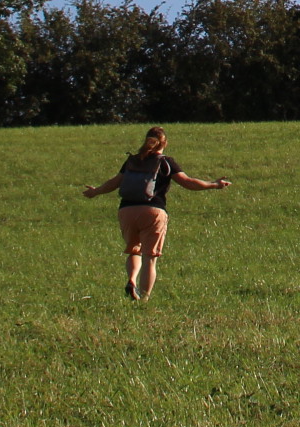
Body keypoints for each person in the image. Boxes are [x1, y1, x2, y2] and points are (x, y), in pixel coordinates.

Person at [81, 128, 228, 301]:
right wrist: (214, 185)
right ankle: (144, 299)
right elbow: (188, 182)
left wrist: (96, 191)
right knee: (150, 258)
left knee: (134, 250)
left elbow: (114, 183)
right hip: (153, 211)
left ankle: (131, 281)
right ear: (165, 143)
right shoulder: (166, 162)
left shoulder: (132, 161)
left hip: (127, 210)